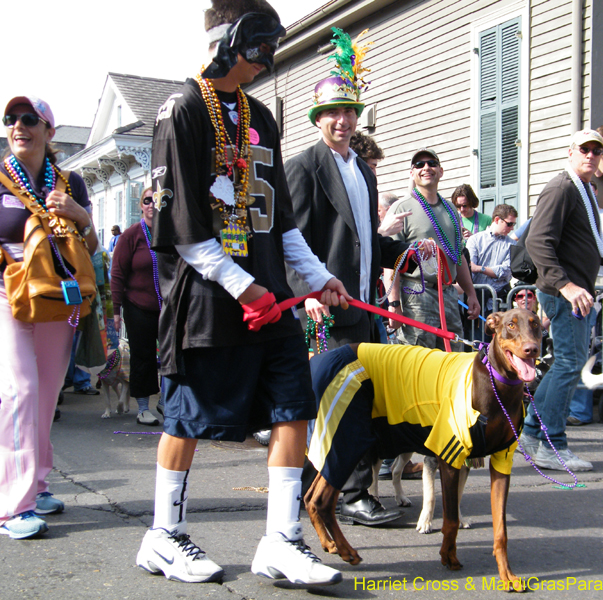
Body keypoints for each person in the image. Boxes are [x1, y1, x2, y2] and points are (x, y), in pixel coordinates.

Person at [135, 1, 350, 587]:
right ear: (232, 39)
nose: (267, 61)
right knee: (186, 417)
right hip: (207, 298)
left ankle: (281, 541)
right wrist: (240, 284)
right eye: (262, 47)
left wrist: (315, 275)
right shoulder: (180, 111)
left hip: (270, 296)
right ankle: (162, 535)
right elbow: (179, 225)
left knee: (293, 407)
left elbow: (279, 219)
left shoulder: (261, 116)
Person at [284, 31, 415, 527]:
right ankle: (315, 491)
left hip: (363, 306)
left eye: (349, 111)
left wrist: (403, 252)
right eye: (332, 112)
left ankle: (352, 492)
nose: (342, 121)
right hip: (323, 306)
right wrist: (308, 292)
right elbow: (290, 239)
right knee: (324, 401)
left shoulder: (364, 170)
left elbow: (364, 240)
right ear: (318, 118)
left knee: (360, 398)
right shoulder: (303, 167)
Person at [519, 130, 603, 470]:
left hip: (574, 292)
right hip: (564, 293)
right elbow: (538, 242)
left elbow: (595, 247)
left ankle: (535, 434)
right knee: (569, 362)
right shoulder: (562, 188)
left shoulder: (585, 191)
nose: (592, 155)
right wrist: (565, 286)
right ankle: (552, 443)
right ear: (571, 152)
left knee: (567, 362)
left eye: (597, 150)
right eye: (585, 149)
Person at [0, 95, 98, 539]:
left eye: (28, 119)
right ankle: (11, 505)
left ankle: (36, 485)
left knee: (45, 395)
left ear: (49, 131)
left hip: (60, 299)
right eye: (11, 119)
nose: (18, 126)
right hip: (7, 295)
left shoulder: (72, 182)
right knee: (19, 390)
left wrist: (78, 215)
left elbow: (90, 248)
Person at [385, 149, 481, 348]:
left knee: (452, 355)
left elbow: (458, 255)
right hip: (416, 294)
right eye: (419, 165)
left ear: (441, 171)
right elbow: (389, 262)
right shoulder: (401, 208)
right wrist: (394, 305)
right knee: (419, 360)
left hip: (448, 294)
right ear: (412, 173)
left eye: (431, 163)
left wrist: (471, 293)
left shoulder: (451, 209)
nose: (426, 168)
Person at [110, 187, 161, 426]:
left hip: (167, 307)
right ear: (141, 205)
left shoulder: (170, 232)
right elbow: (117, 274)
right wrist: (116, 311)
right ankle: (143, 408)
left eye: (156, 200)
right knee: (144, 357)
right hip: (137, 306)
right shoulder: (130, 235)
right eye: (147, 200)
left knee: (175, 354)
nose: (151, 204)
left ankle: (168, 402)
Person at [466, 203, 517, 317]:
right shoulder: (475, 240)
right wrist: (491, 271)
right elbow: (470, 268)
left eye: (513, 224)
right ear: (497, 219)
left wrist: (480, 268)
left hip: (501, 302)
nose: (512, 228)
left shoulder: (512, 245)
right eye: (509, 224)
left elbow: (506, 272)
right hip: (478, 300)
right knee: (478, 335)